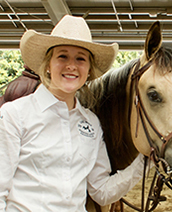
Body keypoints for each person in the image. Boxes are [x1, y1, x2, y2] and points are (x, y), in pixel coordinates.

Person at [0, 15, 147, 212]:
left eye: (80, 58)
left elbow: (101, 191)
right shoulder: (14, 114)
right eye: (62, 56)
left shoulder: (92, 122)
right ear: (48, 65)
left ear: (88, 71)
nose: (71, 65)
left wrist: (144, 162)